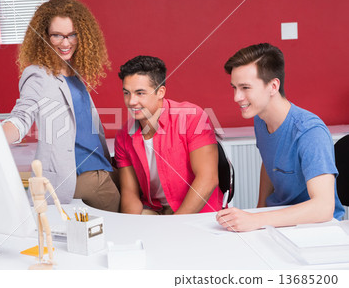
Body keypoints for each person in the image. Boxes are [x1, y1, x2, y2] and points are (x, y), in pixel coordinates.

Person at [2, 0, 120, 212]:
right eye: (56, 35)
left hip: (101, 167)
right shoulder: (38, 75)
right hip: (83, 177)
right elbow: (21, 115)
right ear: (43, 37)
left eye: (72, 35)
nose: (65, 43)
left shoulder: (72, 73)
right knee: (126, 223)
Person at [217, 43, 344, 231]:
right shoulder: (261, 119)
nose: (237, 97)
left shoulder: (310, 131)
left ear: (273, 86)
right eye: (234, 87)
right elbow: (270, 163)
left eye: (245, 87)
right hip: (279, 222)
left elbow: (324, 208)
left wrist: (257, 220)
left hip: (316, 227)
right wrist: (259, 209)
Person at [114, 55, 223, 215]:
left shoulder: (192, 117)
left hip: (196, 212)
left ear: (160, 92)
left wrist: (175, 224)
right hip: (156, 211)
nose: (131, 101)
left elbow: (208, 179)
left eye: (140, 93)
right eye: (126, 93)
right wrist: (133, 227)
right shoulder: (123, 136)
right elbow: (130, 194)